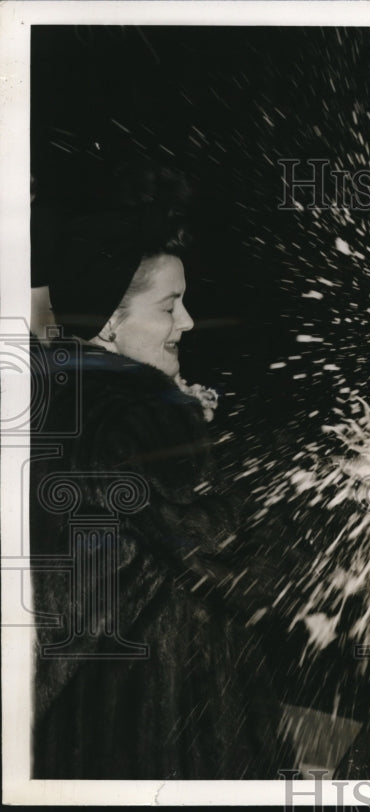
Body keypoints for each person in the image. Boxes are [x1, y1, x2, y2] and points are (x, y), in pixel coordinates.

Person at [30, 201, 302, 778]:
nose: (188, 322)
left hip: (82, 707)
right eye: (169, 306)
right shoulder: (142, 413)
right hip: (166, 716)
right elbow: (238, 566)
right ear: (108, 320)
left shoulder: (52, 394)